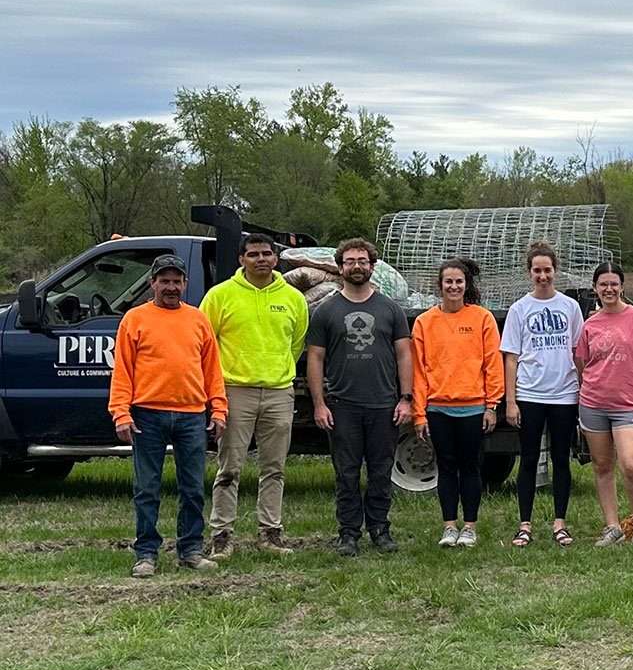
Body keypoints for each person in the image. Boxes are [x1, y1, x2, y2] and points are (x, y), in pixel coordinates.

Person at [109, 254, 228, 578]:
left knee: (192, 488)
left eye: (177, 281)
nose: (171, 287)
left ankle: (190, 550)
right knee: (146, 488)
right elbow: (122, 372)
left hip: (192, 416)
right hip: (147, 415)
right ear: (152, 283)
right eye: (165, 281)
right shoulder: (134, 319)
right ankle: (146, 553)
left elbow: (212, 371)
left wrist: (218, 409)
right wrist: (121, 413)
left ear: (185, 284)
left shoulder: (198, 320)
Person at [201, 234, 309, 559]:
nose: (260, 259)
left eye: (266, 254)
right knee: (229, 468)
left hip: (278, 391)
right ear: (241, 260)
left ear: (276, 259)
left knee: (274, 468)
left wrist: (279, 371)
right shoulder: (220, 296)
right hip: (235, 391)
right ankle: (222, 535)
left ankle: (270, 534)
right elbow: (205, 344)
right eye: (253, 254)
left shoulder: (293, 299)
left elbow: (297, 343)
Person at [307, 238, 413, 557]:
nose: (357, 266)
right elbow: (315, 359)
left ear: (372, 266)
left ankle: (380, 528)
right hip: (342, 406)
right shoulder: (327, 310)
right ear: (340, 268)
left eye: (362, 261)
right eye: (350, 261)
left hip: (384, 403)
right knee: (347, 472)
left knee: (381, 471)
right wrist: (319, 404)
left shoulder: (390, 309)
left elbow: (405, 356)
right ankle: (348, 532)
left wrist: (406, 398)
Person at [412, 259, 504, 548]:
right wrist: (419, 414)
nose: (453, 286)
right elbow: (418, 371)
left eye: (459, 282)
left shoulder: (482, 318)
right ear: (439, 286)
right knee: (447, 467)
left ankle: (470, 526)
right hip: (437, 408)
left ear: (467, 285)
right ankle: (449, 526)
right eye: (448, 281)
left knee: (471, 467)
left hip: (474, 408)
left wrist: (492, 405)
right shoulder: (424, 322)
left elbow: (493, 363)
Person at [501, 242, 584, 547]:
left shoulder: (570, 307)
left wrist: (583, 387)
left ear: (555, 271)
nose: (543, 276)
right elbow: (510, 357)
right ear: (529, 273)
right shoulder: (519, 309)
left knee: (561, 459)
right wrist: (511, 401)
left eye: (547, 270)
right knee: (529, 459)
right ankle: (525, 525)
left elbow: (578, 351)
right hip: (529, 394)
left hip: (564, 394)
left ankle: (560, 523)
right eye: (537, 270)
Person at [575, 262, 633, 548]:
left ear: (622, 286)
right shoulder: (590, 324)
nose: (609, 289)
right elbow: (582, 363)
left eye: (614, 284)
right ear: (595, 289)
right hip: (594, 404)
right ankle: (612, 526)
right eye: (603, 285)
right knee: (602, 465)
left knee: (630, 465)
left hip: (629, 406)